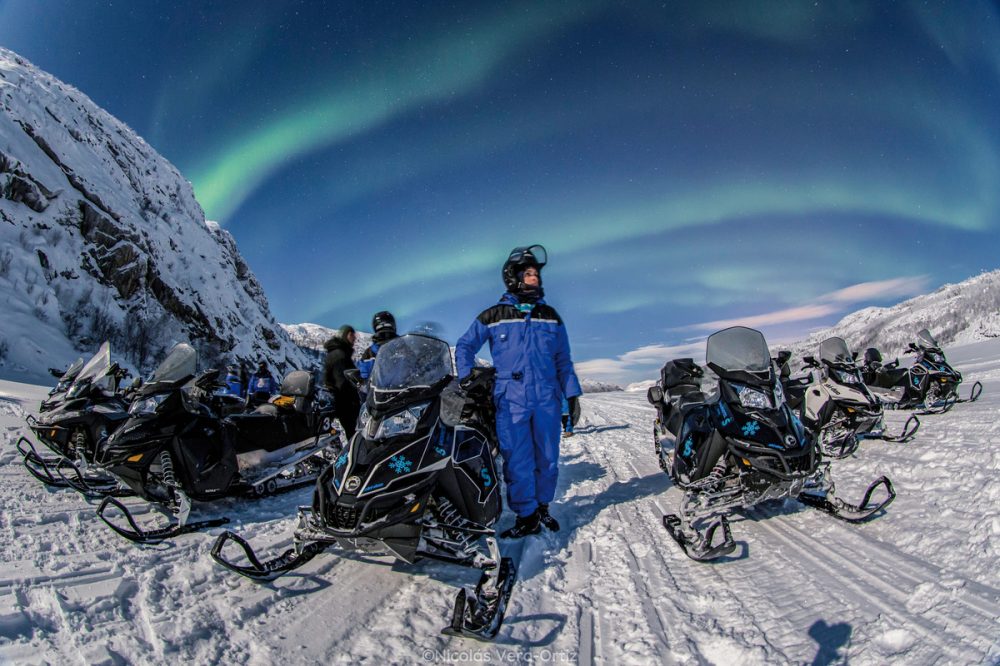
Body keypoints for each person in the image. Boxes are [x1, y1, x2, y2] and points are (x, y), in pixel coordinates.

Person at [455, 245, 582, 538]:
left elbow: (563, 359)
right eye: (528, 273)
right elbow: (464, 346)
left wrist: (571, 395)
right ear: (512, 277)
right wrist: (466, 378)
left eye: (536, 273)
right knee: (518, 460)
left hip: (547, 397)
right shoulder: (493, 315)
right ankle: (526, 515)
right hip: (510, 398)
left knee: (548, 458)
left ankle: (542, 508)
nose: (535, 277)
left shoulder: (551, 316)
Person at [323, 324, 361, 439]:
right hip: (346, 404)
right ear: (344, 335)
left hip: (342, 402)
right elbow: (343, 381)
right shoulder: (339, 355)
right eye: (351, 335)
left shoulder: (339, 353)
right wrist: (355, 401)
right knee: (355, 436)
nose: (354, 338)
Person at [357, 311, 399, 381]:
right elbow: (362, 373)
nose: (385, 328)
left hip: (404, 389)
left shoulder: (403, 348)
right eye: (380, 326)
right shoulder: (369, 353)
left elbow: (416, 367)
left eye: (387, 325)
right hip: (377, 390)